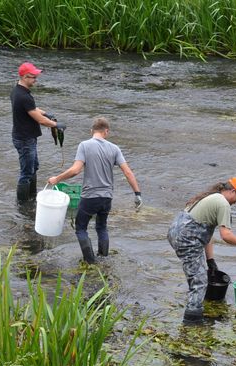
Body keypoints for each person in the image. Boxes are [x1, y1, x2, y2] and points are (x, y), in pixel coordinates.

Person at [48, 117, 142, 264]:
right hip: (107, 197)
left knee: (80, 228)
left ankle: (90, 262)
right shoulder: (115, 148)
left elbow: (75, 170)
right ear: (106, 131)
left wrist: (57, 179)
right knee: (102, 227)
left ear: (91, 131)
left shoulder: (84, 145)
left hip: (90, 196)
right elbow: (128, 172)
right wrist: (137, 194)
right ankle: (103, 258)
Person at [167, 177, 236, 324]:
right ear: (233, 191)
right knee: (200, 281)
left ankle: (195, 310)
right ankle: (192, 320)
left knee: (198, 275)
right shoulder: (223, 204)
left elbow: (206, 233)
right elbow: (226, 235)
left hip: (177, 233)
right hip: (187, 238)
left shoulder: (213, 197)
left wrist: (211, 260)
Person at [11, 62, 66, 203]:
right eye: (33, 77)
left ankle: (32, 196)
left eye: (36, 76)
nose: (36, 79)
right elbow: (40, 120)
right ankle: (23, 205)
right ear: (23, 77)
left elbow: (34, 109)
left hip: (26, 137)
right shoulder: (23, 96)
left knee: (33, 167)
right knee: (26, 173)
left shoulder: (18, 91)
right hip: (25, 139)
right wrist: (56, 124)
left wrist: (47, 113)